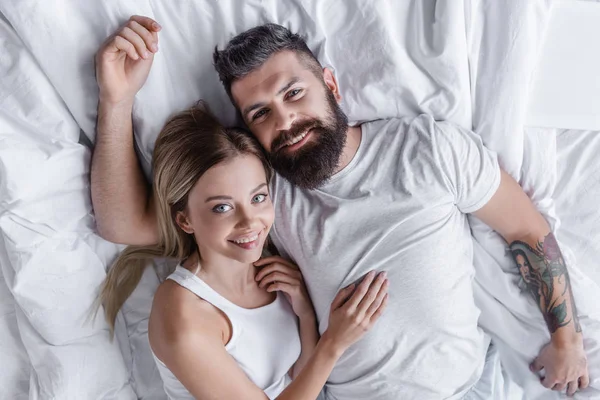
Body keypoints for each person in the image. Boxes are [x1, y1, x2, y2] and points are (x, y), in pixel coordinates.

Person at [92, 16, 591, 399]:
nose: (285, 120)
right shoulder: (262, 198)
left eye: (294, 93)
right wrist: (117, 100)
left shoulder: (428, 148)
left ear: (330, 84)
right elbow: (124, 222)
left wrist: (565, 339)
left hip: (473, 386)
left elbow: (526, 229)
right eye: (261, 113)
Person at [98, 102, 389, 399]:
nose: (250, 222)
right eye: (222, 207)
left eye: (258, 197)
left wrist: (304, 313)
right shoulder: (185, 313)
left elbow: (297, 379)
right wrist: (334, 343)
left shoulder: (272, 269)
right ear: (185, 219)